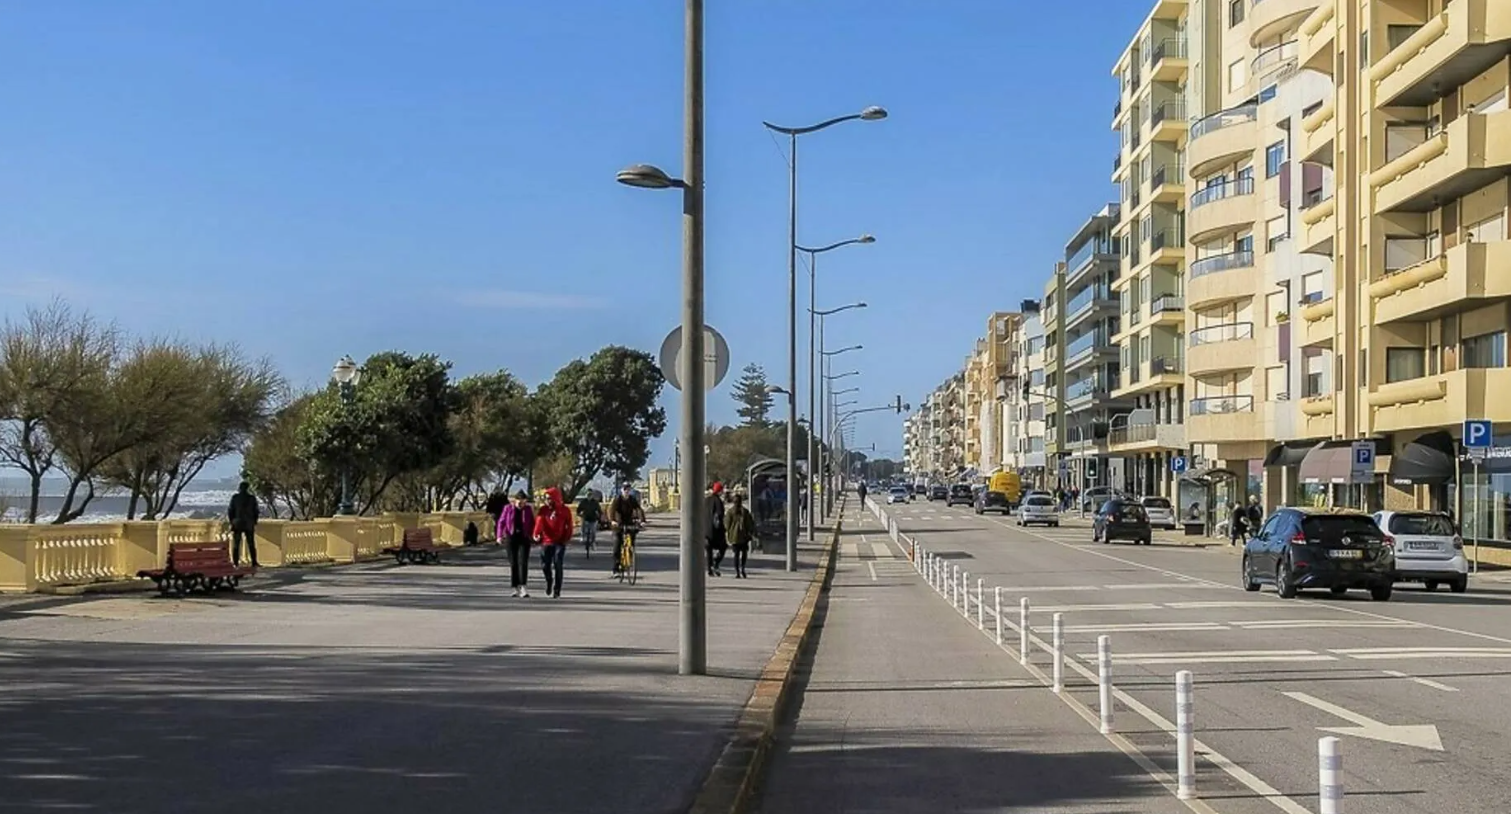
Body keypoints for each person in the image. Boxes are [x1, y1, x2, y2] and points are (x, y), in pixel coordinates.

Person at [534, 487, 573, 598]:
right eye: (546, 498)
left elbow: (569, 526)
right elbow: (539, 523)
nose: (547, 501)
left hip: (559, 542)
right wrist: (536, 534)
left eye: (549, 498)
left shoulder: (565, 510)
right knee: (545, 565)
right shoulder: (543, 510)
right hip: (546, 541)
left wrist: (566, 539)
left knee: (558, 563)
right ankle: (549, 581)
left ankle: (557, 589)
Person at [498, 491, 536, 597]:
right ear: (514, 501)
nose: (520, 504)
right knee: (513, 563)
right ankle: (515, 587)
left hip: (524, 537)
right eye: (519, 502)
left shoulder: (528, 509)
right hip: (511, 537)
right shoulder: (508, 508)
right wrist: (499, 536)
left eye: (523, 502)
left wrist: (534, 535)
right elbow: (501, 522)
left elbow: (532, 523)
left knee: (523, 562)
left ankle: (523, 586)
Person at [608, 483, 645, 574]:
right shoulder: (618, 499)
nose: (626, 491)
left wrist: (642, 520)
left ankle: (630, 556)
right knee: (617, 545)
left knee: (632, 539)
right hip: (618, 524)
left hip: (629, 522)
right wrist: (612, 521)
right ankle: (616, 568)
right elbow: (611, 510)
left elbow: (639, 509)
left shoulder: (632, 499)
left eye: (628, 489)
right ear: (622, 490)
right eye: (625, 489)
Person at [227, 481, 260, 567]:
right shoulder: (251, 498)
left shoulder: (235, 498)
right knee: (251, 544)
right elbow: (256, 511)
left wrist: (232, 521)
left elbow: (230, 510)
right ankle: (254, 562)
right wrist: (254, 521)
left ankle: (235, 562)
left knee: (236, 544)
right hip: (249, 524)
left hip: (237, 523)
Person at [726, 492, 757, 578]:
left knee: (736, 555)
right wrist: (751, 532)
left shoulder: (730, 512)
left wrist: (729, 531)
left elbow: (727, 524)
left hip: (734, 536)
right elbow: (750, 524)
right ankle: (742, 568)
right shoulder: (745, 512)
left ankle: (737, 571)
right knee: (744, 553)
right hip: (744, 536)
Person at [706, 482, 728, 577]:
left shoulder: (706, 500)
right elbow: (720, 515)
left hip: (705, 531)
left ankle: (709, 568)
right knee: (723, 547)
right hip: (715, 531)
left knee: (709, 549)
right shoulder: (718, 501)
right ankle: (716, 563)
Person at [576, 490, 602, 556]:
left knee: (593, 531)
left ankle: (593, 543)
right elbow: (578, 509)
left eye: (590, 495)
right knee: (583, 525)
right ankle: (582, 536)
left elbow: (599, 511)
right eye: (588, 495)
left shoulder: (595, 502)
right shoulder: (583, 502)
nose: (589, 496)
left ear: (592, 496)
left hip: (593, 519)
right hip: (585, 518)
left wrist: (599, 516)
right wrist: (579, 514)